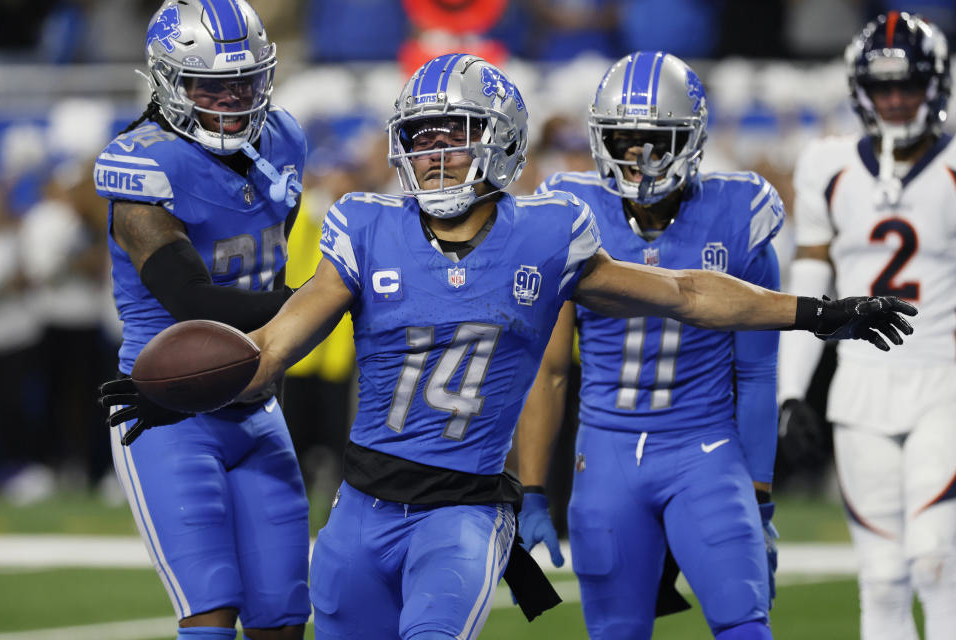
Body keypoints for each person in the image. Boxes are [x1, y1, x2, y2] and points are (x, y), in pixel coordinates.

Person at [103, 53, 915, 640]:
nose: (434, 156)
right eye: (420, 140)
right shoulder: (366, 226)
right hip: (357, 511)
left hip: (459, 510)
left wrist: (817, 311)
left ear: (499, 143)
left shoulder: (547, 234)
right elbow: (276, 345)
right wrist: (184, 386)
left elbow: (686, 294)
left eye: (453, 137)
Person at [513, 50, 783, 640]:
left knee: (745, 624)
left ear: (691, 137)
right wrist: (532, 487)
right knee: (616, 631)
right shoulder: (569, 209)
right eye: (625, 138)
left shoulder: (740, 212)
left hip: (706, 449)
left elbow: (759, 372)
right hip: (605, 453)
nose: (641, 156)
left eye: (657, 139)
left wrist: (760, 495)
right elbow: (550, 369)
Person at [94, 2, 309, 639]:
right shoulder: (142, 163)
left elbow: (267, 279)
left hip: (257, 406)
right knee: (211, 615)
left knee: (282, 617)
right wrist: (323, 297)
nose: (233, 99)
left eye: (245, 82)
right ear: (168, 80)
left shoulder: (287, 139)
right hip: (167, 410)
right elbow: (193, 300)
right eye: (211, 86)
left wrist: (282, 344)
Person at [778, 12, 955, 640]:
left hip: (945, 385)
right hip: (860, 387)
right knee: (880, 577)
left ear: (935, 85)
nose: (897, 98)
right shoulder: (828, 164)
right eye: (884, 87)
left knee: (936, 559)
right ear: (861, 91)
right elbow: (809, 281)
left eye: (908, 85)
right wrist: (792, 391)